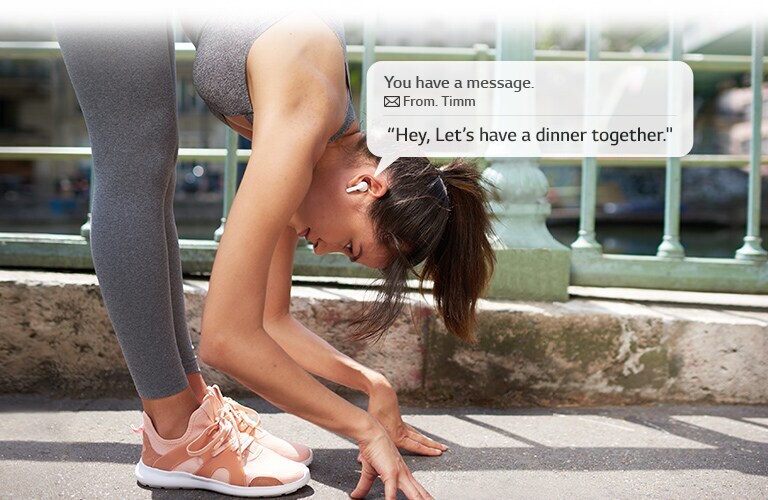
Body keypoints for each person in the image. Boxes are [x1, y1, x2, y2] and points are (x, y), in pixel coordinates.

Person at [55, 6, 495, 499]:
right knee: (136, 156)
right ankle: (175, 432)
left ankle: (192, 406)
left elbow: (271, 320)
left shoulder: (317, 146)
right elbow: (226, 339)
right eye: (350, 246)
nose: (324, 251)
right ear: (365, 185)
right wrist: (363, 430)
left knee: (148, 155)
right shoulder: (305, 114)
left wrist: (371, 384)